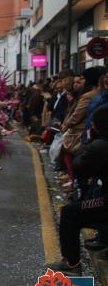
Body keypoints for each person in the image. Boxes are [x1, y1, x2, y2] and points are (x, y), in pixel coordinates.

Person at [49, 106, 108, 275]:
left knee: (70, 213)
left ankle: (72, 263)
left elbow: (79, 167)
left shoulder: (100, 145)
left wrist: (89, 141)